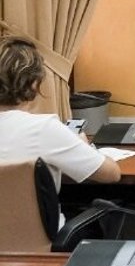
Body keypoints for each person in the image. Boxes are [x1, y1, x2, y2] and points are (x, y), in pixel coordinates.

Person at [0, 36, 121, 199]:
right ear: (34, 83)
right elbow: (111, 174)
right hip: (39, 217)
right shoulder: (43, 129)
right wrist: (84, 146)